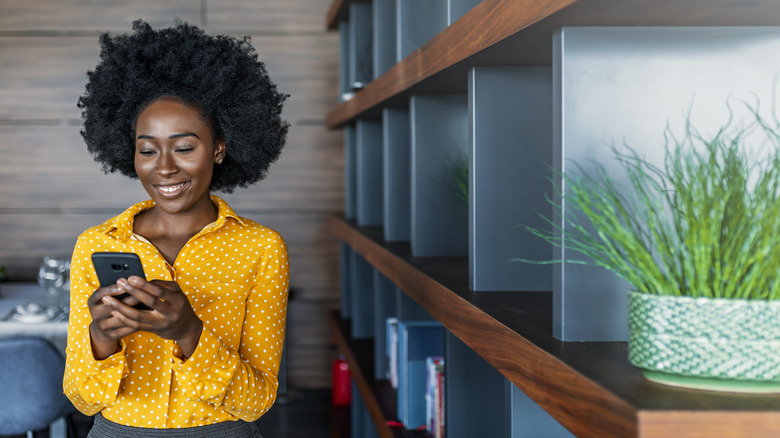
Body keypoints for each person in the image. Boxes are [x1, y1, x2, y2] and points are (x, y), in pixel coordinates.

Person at [63, 19, 290, 438]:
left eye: (184, 147)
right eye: (147, 149)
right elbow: (83, 398)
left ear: (219, 148)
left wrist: (190, 333)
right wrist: (100, 338)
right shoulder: (96, 244)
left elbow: (256, 402)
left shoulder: (261, 248)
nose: (164, 167)